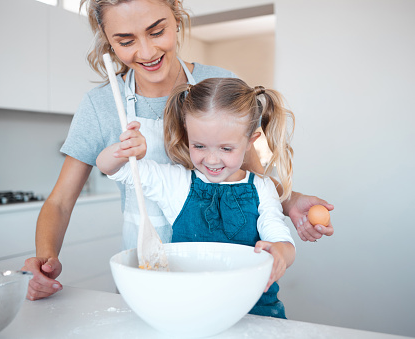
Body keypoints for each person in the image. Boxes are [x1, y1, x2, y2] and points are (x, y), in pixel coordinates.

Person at [22, 0, 334, 301]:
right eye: (125, 40)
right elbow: (60, 202)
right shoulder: (101, 104)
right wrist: (45, 259)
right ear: (108, 41)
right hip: (146, 276)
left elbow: (249, 177)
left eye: (157, 31)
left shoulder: (220, 84)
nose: (146, 52)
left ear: (177, 16)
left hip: (222, 272)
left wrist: (289, 201)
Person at [97, 77, 296, 318]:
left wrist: (279, 254)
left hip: (254, 312)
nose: (211, 160)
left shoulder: (263, 188)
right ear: (187, 136)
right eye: (199, 146)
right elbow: (113, 168)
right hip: (190, 310)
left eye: (226, 148)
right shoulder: (176, 183)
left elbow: (281, 240)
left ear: (249, 142)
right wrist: (123, 150)